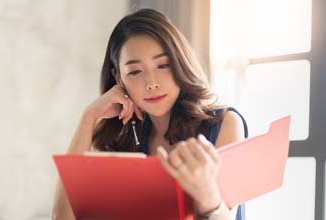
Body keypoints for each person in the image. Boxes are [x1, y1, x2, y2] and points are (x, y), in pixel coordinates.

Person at [52, 8, 248, 220]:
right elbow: (62, 217)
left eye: (163, 65)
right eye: (135, 71)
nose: (151, 83)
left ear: (179, 63)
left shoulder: (224, 123)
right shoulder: (123, 140)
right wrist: (88, 118)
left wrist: (206, 192)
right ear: (119, 79)